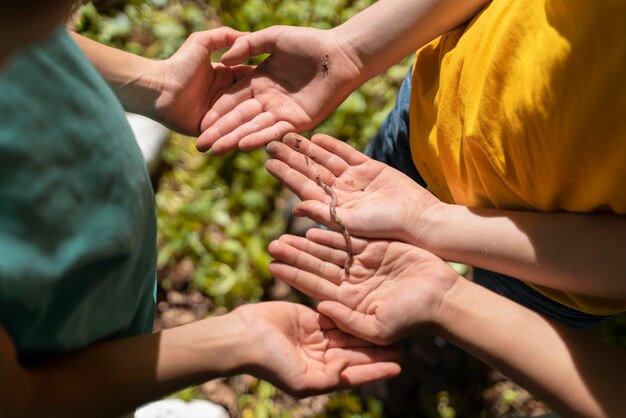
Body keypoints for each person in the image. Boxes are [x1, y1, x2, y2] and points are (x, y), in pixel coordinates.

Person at [0, 3, 402, 417]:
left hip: (92, 248)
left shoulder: (21, 29)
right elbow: (24, 400)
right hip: (62, 357)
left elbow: (28, 29)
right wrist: (239, 339)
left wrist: (153, 85)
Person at [264, 132, 626, 418]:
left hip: (575, 217)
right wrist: (428, 223)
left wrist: (447, 302)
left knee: (508, 302)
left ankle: (418, 366)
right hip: (451, 119)